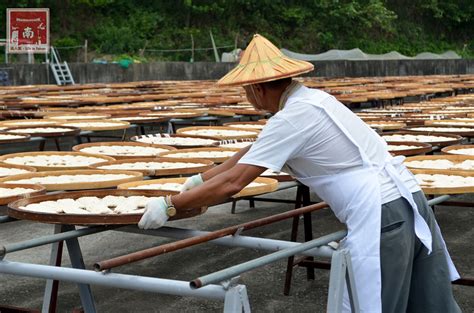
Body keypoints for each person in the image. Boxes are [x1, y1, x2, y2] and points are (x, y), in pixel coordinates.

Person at [139, 34, 461, 312]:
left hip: (382, 214)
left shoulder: (291, 118)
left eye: (246, 91)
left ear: (257, 88)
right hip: (410, 199)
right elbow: (253, 151)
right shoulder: (310, 101)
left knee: (377, 303)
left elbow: (235, 182)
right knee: (428, 302)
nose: (246, 97)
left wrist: (171, 205)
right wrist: (200, 180)